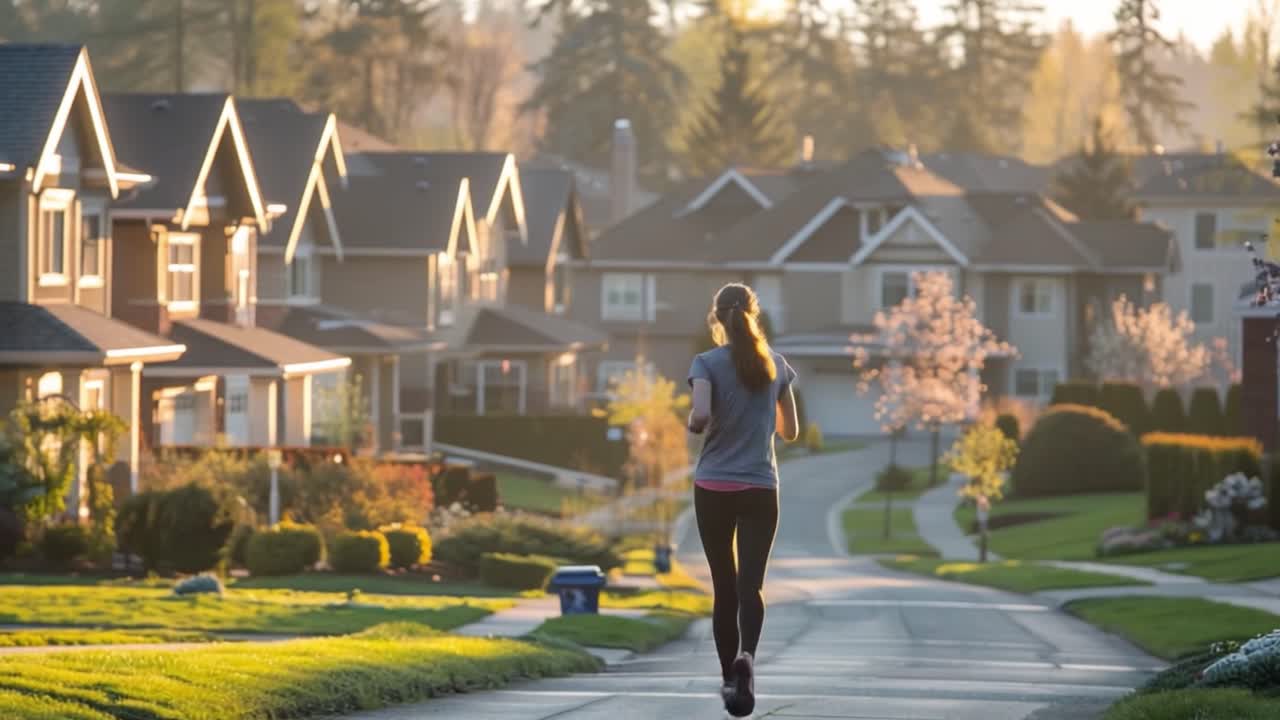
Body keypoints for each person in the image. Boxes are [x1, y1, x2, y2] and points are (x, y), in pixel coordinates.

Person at [687, 282, 799, 717]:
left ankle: (730, 681)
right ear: (754, 315)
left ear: (717, 319)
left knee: (724, 586)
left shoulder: (706, 363)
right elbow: (789, 431)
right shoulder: (776, 366)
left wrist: (698, 425)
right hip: (760, 487)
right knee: (751, 584)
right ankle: (747, 657)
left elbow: (699, 414)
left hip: (713, 487)